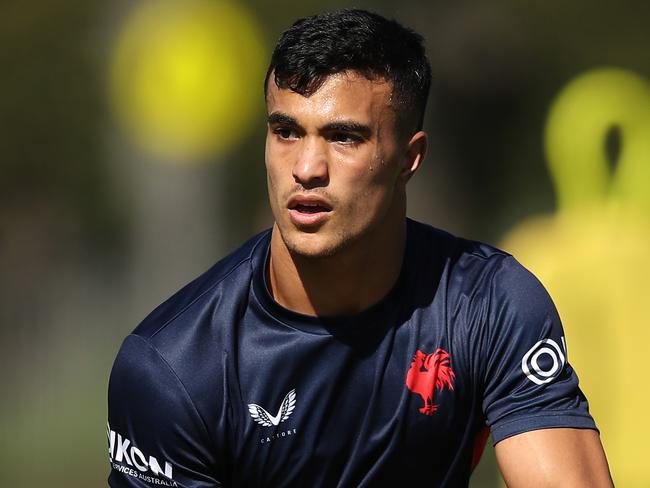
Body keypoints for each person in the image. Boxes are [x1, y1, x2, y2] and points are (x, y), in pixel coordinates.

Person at [107, 9, 613, 487]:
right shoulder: (172, 367)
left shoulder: (487, 304)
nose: (306, 168)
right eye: (285, 132)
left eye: (343, 138)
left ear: (409, 158)